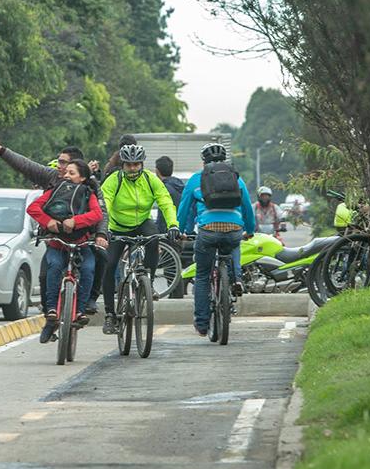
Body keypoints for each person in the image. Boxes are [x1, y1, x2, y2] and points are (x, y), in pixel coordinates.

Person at [0, 137, 109, 314]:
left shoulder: (90, 186)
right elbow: (26, 165)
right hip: (55, 239)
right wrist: (1, 151)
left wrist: (101, 235)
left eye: (64, 163)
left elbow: (101, 214)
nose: (59, 166)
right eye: (60, 162)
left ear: (78, 169)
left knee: (98, 260)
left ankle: (89, 301)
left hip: (83, 238)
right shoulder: (52, 179)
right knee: (46, 274)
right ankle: (49, 314)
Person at [100, 144, 180, 334]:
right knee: (109, 265)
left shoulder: (151, 180)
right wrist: (104, 229)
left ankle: (148, 283)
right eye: (129, 165)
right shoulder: (114, 180)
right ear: (123, 165)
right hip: (117, 226)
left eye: (137, 164)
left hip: (142, 223)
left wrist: (173, 225)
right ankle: (110, 315)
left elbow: (165, 201)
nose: (133, 168)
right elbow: (105, 204)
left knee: (154, 240)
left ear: (142, 164)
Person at [177, 143, 255, 337]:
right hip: (234, 228)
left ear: (204, 161)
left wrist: (181, 231)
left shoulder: (196, 179)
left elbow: (184, 209)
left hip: (208, 230)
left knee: (203, 275)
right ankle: (235, 278)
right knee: (233, 242)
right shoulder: (237, 178)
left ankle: (202, 324)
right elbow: (247, 207)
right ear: (224, 160)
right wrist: (250, 229)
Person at [26, 160, 104, 343]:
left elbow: (98, 215)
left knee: (88, 269)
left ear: (83, 178)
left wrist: (76, 221)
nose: (67, 176)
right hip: (57, 244)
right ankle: (52, 311)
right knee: (53, 267)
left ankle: (80, 311)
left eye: (72, 173)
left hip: (81, 245)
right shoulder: (55, 191)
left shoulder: (89, 194)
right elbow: (33, 208)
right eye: (66, 172)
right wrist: (48, 222)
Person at [155, 155, 184, 234]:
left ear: (157, 171)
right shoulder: (180, 186)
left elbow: (161, 219)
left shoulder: (163, 189)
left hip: (169, 232)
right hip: (182, 230)